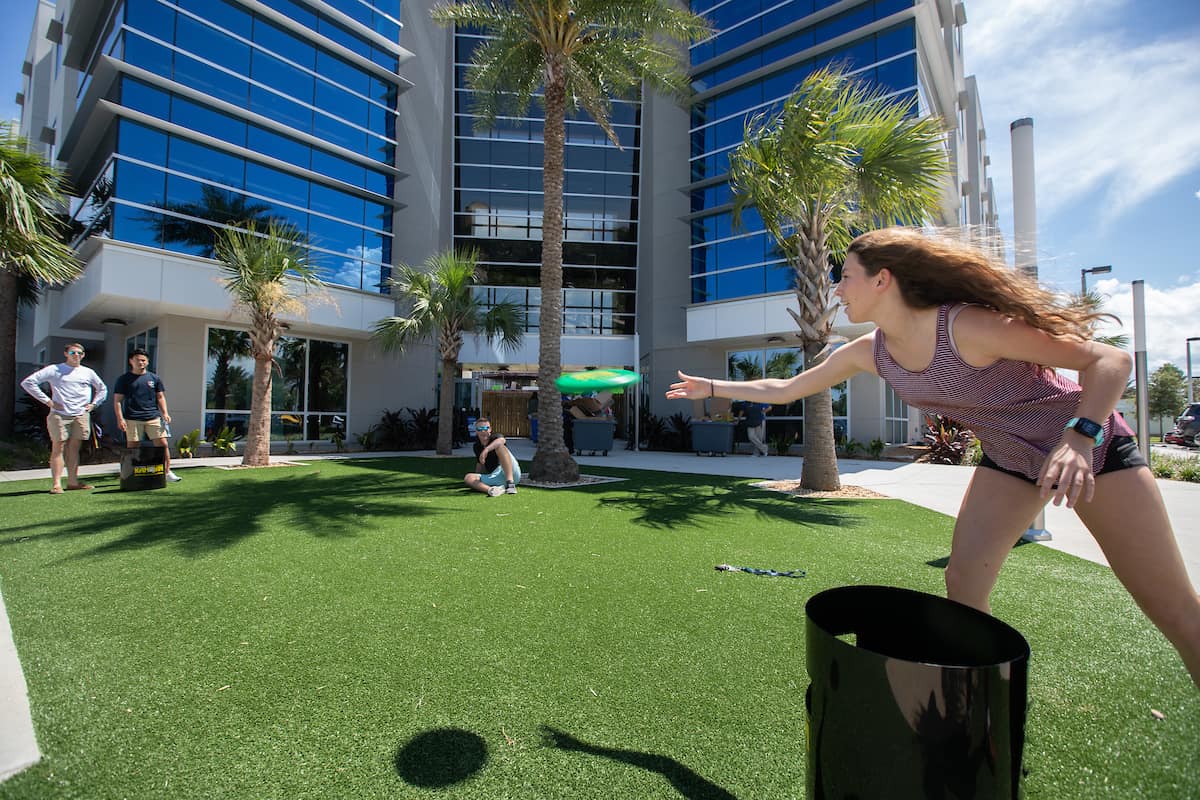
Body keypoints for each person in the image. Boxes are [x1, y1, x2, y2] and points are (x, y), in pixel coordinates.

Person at [667, 226, 1200, 687]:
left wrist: (1080, 438)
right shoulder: (868, 351)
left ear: (883, 279)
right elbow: (787, 388)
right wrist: (711, 385)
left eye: (846, 276)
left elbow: (1108, 360)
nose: (837, 289)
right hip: (1011, 460)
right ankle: (985, 711)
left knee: (1171, 609)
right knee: (963, 582)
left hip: (1094, 448)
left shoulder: (965, 325)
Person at [20, 342, 109, 494]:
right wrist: (48, 401)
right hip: (59, 415)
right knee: (58, 447)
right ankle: (56, 484)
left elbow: (102, 389)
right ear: (66, 354)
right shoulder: (55, 369)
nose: (77, 356)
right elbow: (28, 383)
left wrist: (94, 404)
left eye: (80, 353)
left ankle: (73, 482)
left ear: (83, 355)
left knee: (74, 448)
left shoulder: (88, 372)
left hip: (81, 414)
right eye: (73, 352)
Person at [113, 348, 181, 482]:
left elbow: (160, 397)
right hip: (132, 418)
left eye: (143, 360)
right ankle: (130, 474)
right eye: (138, 360)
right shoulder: (124, 379)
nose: (141, 363)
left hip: (153, 417)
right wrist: (120, 419)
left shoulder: (154, 378)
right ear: (131, 361)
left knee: (163, 444)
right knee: (133, 447)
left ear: (148, 362)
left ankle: (167, 472)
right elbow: (117, 401)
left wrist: (165, 413)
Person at [464, 416, 521, 496]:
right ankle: (492, 490)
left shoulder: (495, 437)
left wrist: (486, 450)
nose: (483, 431)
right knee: (468, 477)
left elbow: (501, 440)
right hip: (495, 477)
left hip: (511, 472)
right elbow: (481, 465)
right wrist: (476, 480)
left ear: (490, 429)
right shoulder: (477, 446)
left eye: (486, 428)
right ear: (476, 432)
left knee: (500, 447)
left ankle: (510, 484)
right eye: (480, 429)